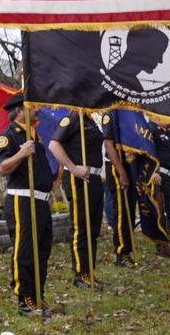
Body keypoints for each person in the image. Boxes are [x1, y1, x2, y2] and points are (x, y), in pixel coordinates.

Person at [0, 93, 56, 320]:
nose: (37, 109)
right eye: (32, 107)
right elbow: (2, 168)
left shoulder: (35, 135)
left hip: (40, 200)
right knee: (25, 251)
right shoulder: (8, 136)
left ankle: (38, 294)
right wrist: (22, 152)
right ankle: (25, 298)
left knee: (42, 250)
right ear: (19, 110)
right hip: (22, 200)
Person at [48, 111, 106, 290]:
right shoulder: (73, 117)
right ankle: (80, 274)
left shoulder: (91, 120)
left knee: (93, 228)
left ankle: (89, 272)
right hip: (79, 177)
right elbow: (54, 144)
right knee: (81, 227)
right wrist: (73, 168)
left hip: (94, 177)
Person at [100, 111, 136, 267]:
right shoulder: (110, 114)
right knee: (121, 212)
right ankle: (121, 252)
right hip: (116, 167)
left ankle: (128, 248)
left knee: (130, 211)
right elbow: (109, 145)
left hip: (129, 164)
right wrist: (122, 173)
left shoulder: (126, 113)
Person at [149, 118, 170, 257]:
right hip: (160, 176)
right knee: (160, 211)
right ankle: (160, 245)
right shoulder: (151, 130)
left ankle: (166, 238)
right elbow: (147, 152)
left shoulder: (169, 131)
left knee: (167, 210)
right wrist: (152, 172)